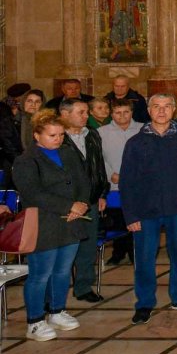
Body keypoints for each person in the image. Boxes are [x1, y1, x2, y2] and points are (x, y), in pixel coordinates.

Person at [120, 93, 177, 324]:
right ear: (149, 110)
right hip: (146, 211)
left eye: (167, 106)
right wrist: (131, 215)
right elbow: (127, 181)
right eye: (156, 106)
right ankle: (145, 303)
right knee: (145, 259)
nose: (161, 111)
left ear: (173, 110)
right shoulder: (136, 143)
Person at [11, 110, 90, 341]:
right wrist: (70, 206)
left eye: (61, 135)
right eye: (52, 135)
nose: (58, 139)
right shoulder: (26, 160)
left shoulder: (68, 153)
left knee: (63, 270)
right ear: (37, 135)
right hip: (44, 222)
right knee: (40, 274)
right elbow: (33, 193)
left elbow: (83, 180)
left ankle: (57, 311)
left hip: (72, 221)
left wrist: (83, 203)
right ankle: (35, 321)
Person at [60, 99, 110, 303]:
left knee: (88, 246)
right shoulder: (56, 137)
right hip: (65, 203)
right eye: (81, 112)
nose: (86, 116)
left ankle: (83, 286)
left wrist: (102, 193)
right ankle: (52, 295)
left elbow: (99, 166)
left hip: (90, 199)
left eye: (86, 112)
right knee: (61, 249)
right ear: (64, 114)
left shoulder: (92, 134)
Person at [97, 98, 140, 265]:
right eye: (117, 113)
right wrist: (110, 174)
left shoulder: (143, 129)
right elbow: (99, 158)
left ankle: (134, 252)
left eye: (126, 112)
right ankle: (118, 252)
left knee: (136, 219)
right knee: (118, 220)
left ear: (132, 112)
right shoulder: (101, 132)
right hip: (114, 183)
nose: (122, 116)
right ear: (111, 113)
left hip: (137, 184)